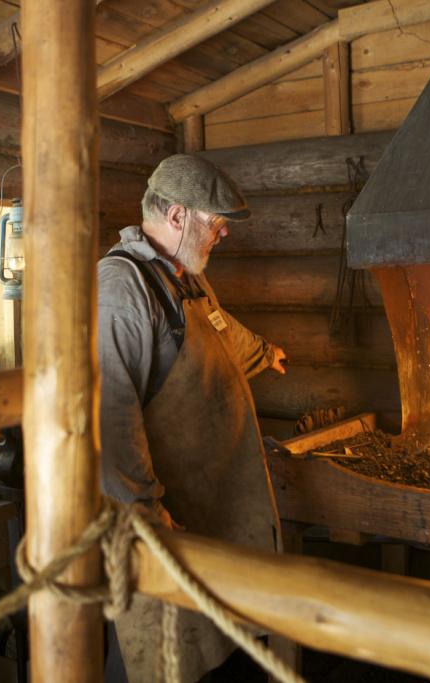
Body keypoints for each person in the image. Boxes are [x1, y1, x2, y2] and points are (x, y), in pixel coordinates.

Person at [97, 153, 287, 682]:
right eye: (216, 221)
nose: (223, 234)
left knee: (227, 658)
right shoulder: (122, 288)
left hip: (217, 518)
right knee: (166, 663)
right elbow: (110, 415)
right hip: (167, 528)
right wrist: (143, 511)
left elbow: (222, 334)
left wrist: (265, 353)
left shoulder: (186, 277)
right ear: (178, 216)